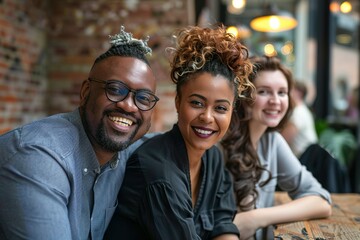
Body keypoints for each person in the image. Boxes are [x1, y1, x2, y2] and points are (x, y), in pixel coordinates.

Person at [0, 26, 159, 240]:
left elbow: (179, 146)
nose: (129, 106)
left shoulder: (125, 150)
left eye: (143, 98)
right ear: (85, 92)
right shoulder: (38, 157)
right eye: (115, 89)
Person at [104, 25, 254, 240]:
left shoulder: (212, 157)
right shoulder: (158, 172)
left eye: (220, 108)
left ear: (231, 112)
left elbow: (222, 222)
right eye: (197, 103)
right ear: (178, 102)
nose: (208, 117)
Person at [221, 56, 332, 240]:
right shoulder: (218, 144)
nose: (275, 101)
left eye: (282, 92)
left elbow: (321, 201)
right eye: (264, 92)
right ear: (244, 96)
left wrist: (255, 218)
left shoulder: (272, 141)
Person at [281, 80, 318, 158]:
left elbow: (283, 140)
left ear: (299, 93)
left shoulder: (298, 113)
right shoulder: (302, 109)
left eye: (289, 90)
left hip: (304, 159)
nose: (286, 93)